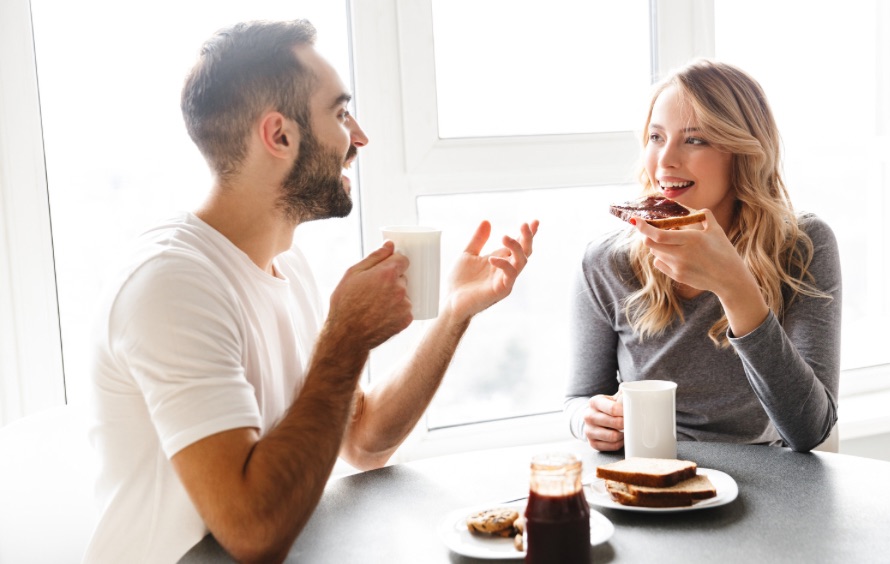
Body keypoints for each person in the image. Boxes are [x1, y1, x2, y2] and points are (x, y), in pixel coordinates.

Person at [83, 19, 538, 564]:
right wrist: (345, 338)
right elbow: (252, 533)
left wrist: (454, 314)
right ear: (279, 136)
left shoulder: (288, 266)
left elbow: (364, 441)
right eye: (341, 115)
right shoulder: (172, 285)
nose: (360, 138)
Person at [564, 59, 840, 455]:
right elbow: (580, 398)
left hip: (767, 487)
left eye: (695, 140)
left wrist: (734, 286)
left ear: (742, 152)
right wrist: (588, 419)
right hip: (651, 480)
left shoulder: (802, 246)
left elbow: (810, 430)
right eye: (656, 137)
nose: (666, 160)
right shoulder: (606, 261)